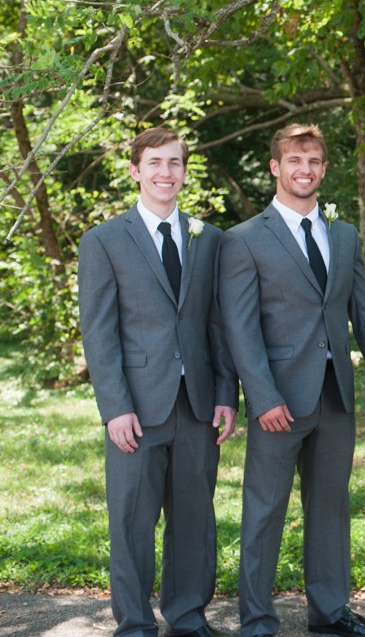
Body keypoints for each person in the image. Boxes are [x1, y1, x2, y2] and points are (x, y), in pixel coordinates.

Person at [218, 124, 365, 637]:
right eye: (295, 160)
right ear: (276, 167)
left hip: (335, 395)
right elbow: (241, 328)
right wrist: (262, 395)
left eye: (314, 161)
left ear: (323, 168)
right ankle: (256, 618)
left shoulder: (342, 235)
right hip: (279, 399)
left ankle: (330, 611)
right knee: (264, 511)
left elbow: (364, 308)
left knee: (331, 509)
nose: (305, 169)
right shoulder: (245, 239)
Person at [79, 127, 238, 637]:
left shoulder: (208, 238)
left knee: (194, 520)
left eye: (174, 163)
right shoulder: (103, 241)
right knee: (132, 523)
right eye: (154, 163)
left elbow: (219, 322)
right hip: (137, 409)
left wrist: (224, 394)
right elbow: (99, 331)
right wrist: (114, 407)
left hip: (196, 406)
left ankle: (188, 616)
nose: (165, 173)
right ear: (135, 171)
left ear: (185, 172)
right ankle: (134, 624)